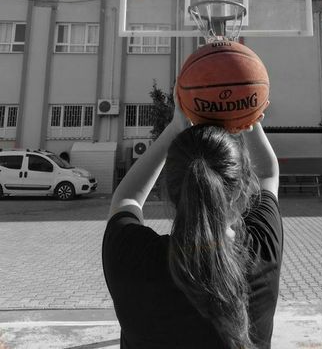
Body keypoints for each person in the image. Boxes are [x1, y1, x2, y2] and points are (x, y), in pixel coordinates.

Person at [102, 99, 283, 349]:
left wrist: (175, 127)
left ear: (172, 189)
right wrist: (245, 112)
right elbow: (267, 174)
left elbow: (127, 198)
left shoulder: (131, 259)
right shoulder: (262, 253)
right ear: (241, 190)